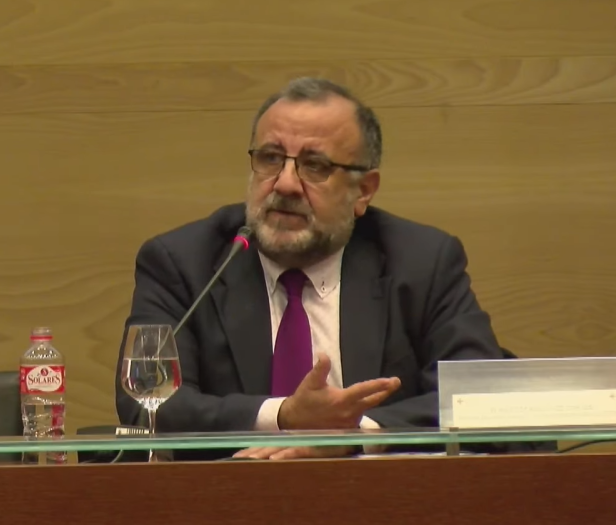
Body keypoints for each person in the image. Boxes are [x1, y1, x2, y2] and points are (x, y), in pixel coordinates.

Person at [115, 77, 505, 461]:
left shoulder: (421, 261)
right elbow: (147, 403)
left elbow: (479, 397)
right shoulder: (184, 262)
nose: (285, 184)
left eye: (314, 166)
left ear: (363, 190)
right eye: (270, 158)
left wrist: (353, 435)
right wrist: (283, 416)